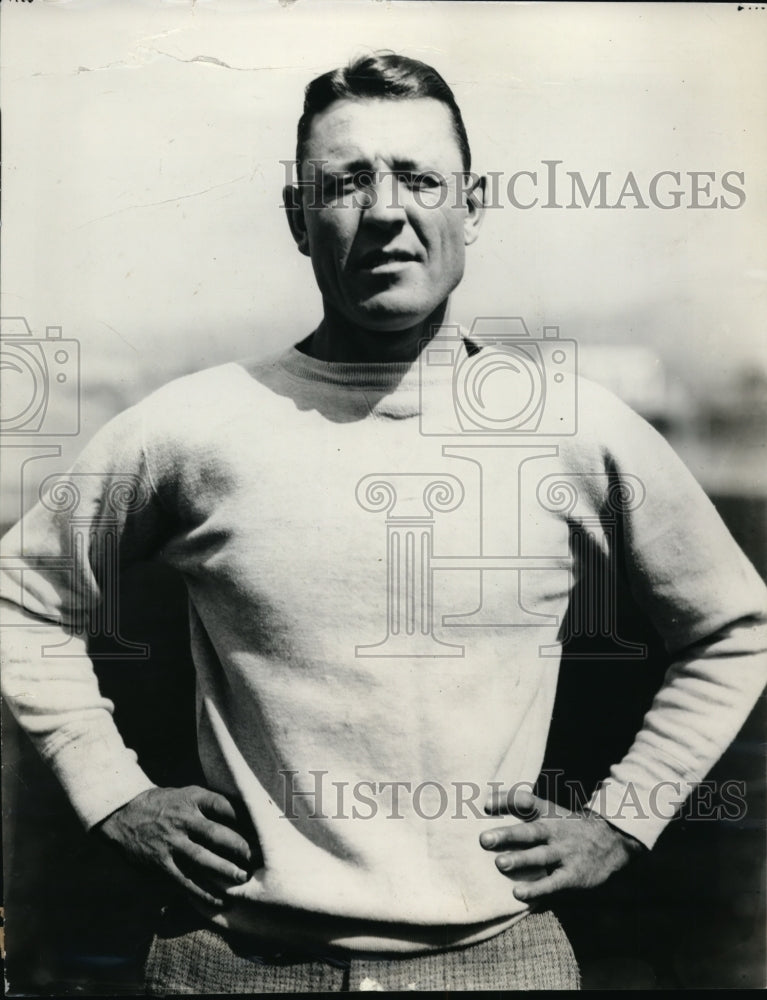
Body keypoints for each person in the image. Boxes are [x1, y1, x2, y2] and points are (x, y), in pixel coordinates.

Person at [1, 53, 766, 993]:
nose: (385, 210)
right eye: (346, 181)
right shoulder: (191, 428)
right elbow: (20, 595)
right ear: (297, 218)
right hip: (228, 966)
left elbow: (736, 625)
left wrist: (622, 816)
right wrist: (110, 791)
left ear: (472, 206)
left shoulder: (575, 428)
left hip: (497, 963)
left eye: (419, 177)